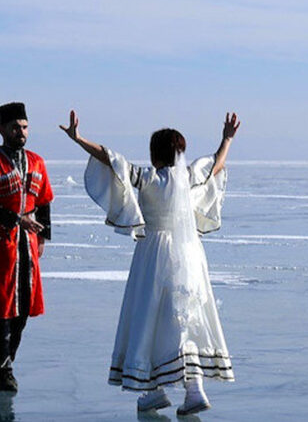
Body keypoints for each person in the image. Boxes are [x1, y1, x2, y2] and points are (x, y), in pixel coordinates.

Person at [60, 110, 240, 415]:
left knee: (150, 317)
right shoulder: (189, 176)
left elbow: (109, 159)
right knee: (186, 316)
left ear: (155, 153)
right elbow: (216, 164)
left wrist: (78, 139)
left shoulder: (148, 178)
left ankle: (155, 389)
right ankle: (191, 388)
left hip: (153, 253)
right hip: (189, 252)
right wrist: (227, 139)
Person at [0, 102, 54, 392]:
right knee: (0, 306)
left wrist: (42, 237)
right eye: (15, 127)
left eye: (25, 127)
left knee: (24, 306)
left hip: (27, 247)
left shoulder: (37, 162)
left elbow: (43, 202)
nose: (21, 132)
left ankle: (5, 362)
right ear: (1, 129)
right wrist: (17, 219)